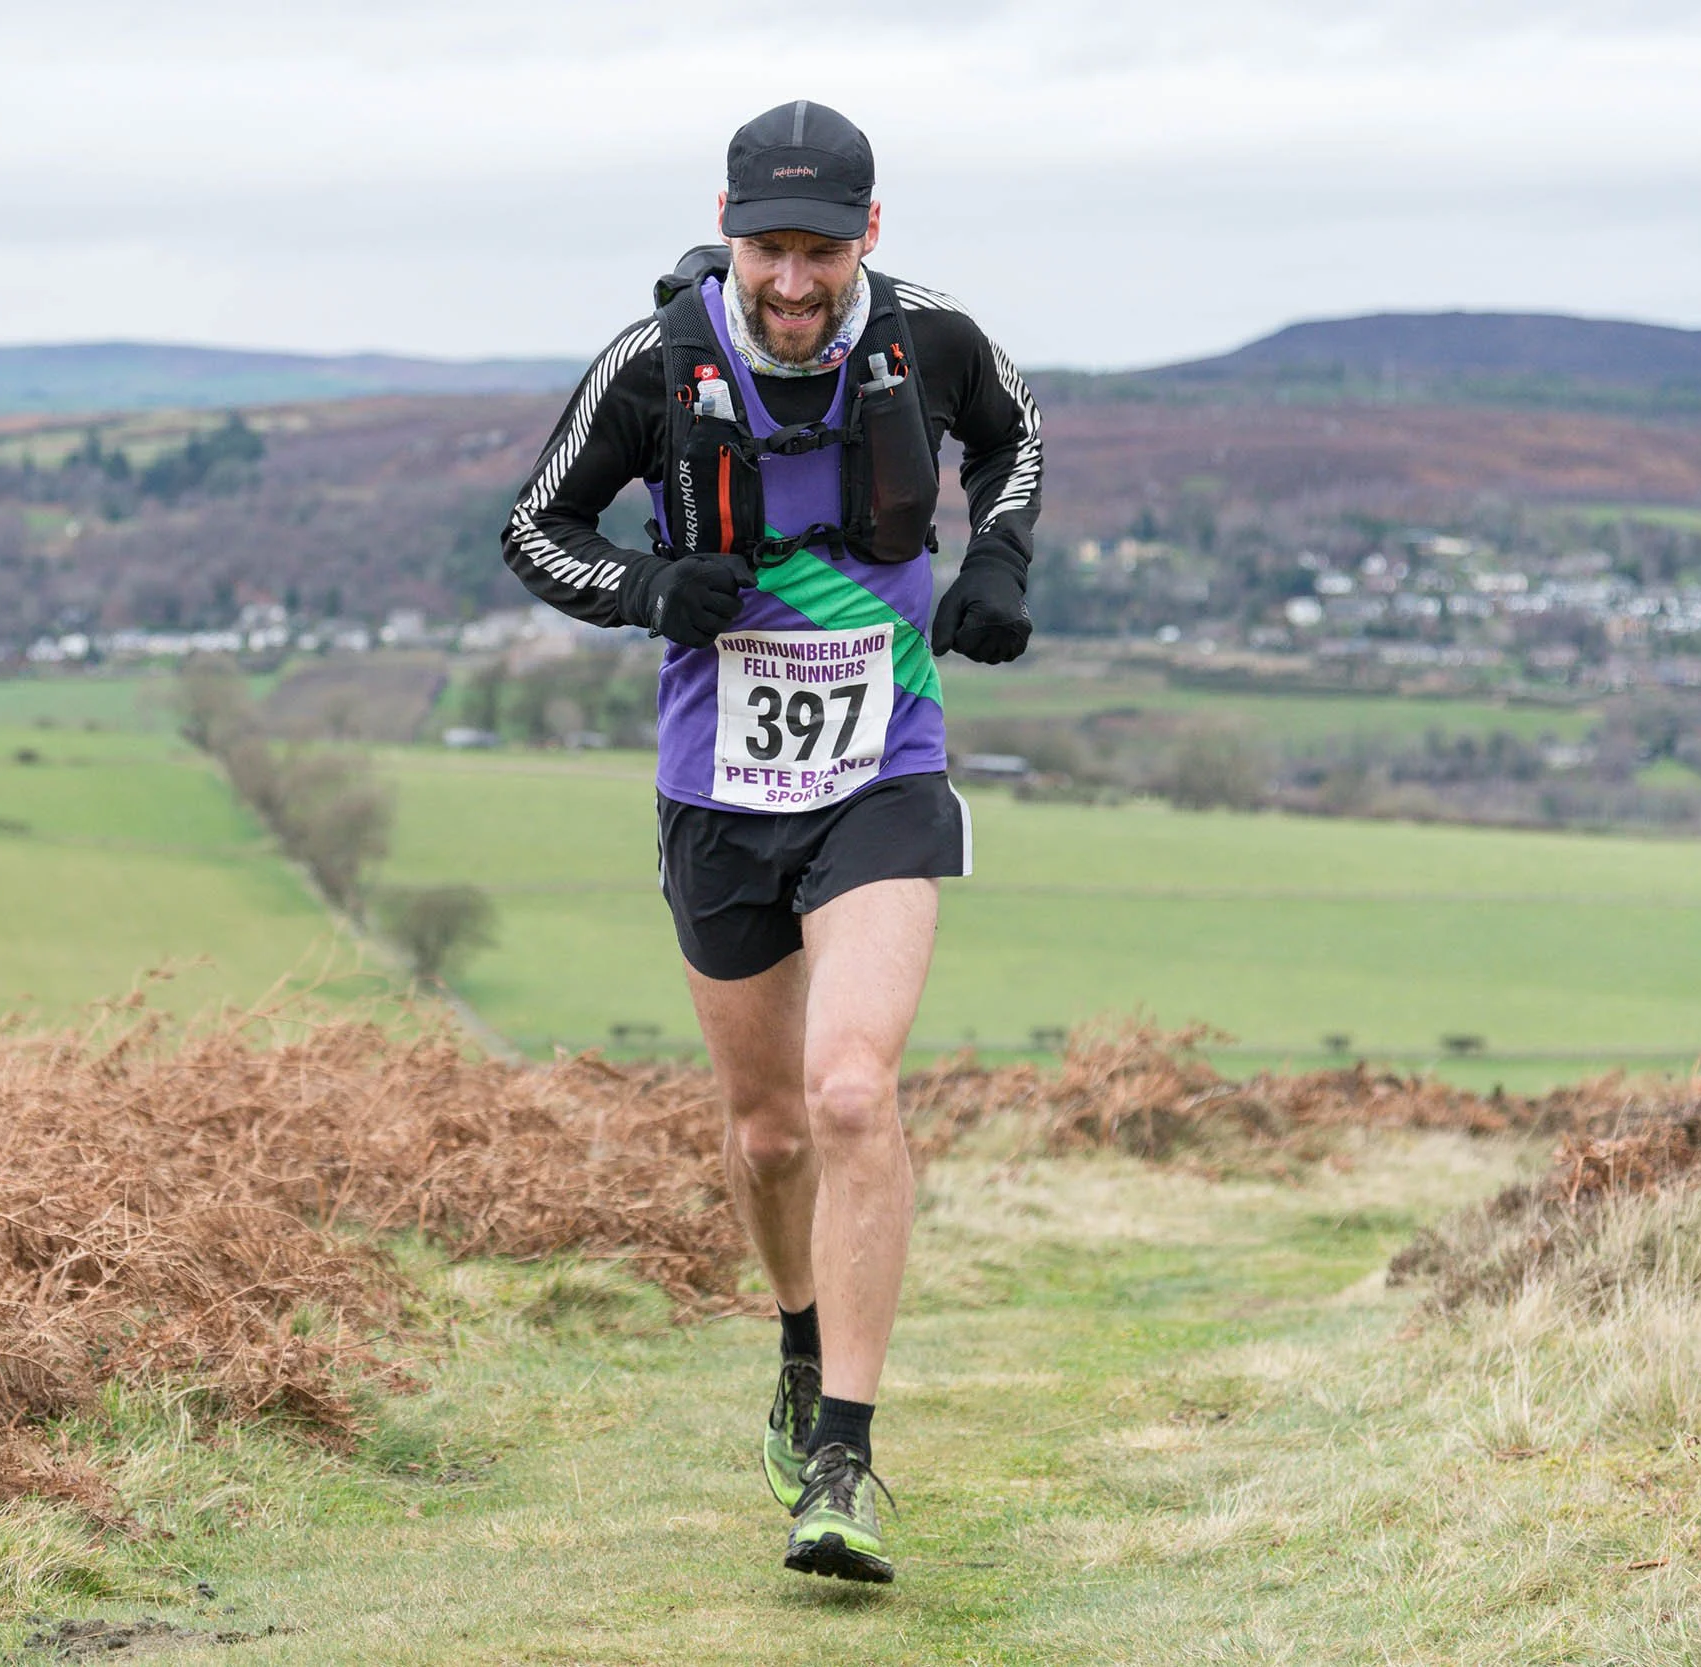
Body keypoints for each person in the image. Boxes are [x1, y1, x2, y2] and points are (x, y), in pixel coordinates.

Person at [499, 99, 1042, 1584]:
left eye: (817, 248)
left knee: (853, 1092)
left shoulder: (931, 341)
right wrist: (641, 588)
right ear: (727, 229)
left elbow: (1017, 436)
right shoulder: (657, 360)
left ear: (869, 233)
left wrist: (995, 552)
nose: (790, 280)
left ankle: (847, 1462)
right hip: (718, 785)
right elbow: (536, 527)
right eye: (764, 248)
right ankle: (799, 1337)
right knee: (769, 1131)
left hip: (884, 759)